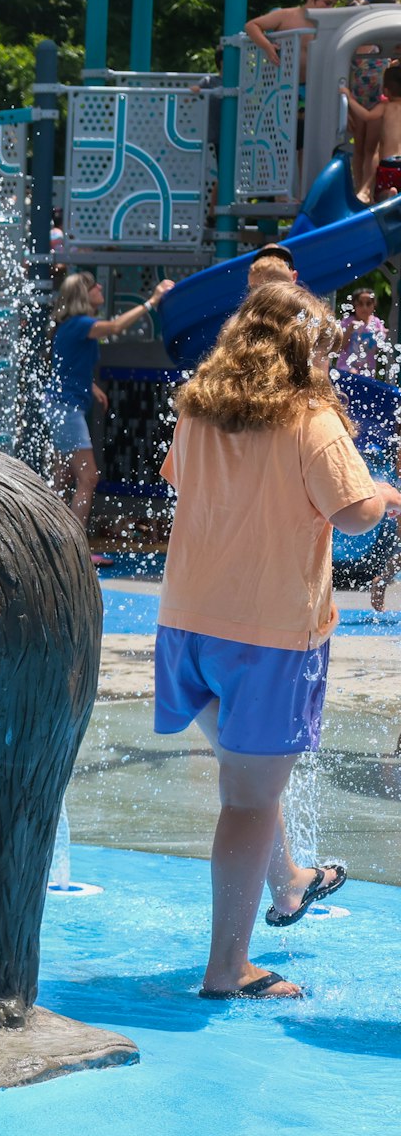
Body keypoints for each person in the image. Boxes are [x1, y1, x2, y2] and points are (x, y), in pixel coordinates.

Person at [157, 282, 400, 1000]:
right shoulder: (311, 418)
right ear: (305, 347)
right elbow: (355, 516)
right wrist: (385, 493)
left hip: (188, 626)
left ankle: (289, 881)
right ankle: (227, 967)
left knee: (247, 775)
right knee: (249, 798)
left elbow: (185, 488)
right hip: (269, 638)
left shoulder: (197, 411)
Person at [44, 273, 173, 561]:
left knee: (62, 480)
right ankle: (75, 553)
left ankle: (48, 545)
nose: (100, 287)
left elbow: (64, 365)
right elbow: (115, 327)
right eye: (93, 286)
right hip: (66, 410)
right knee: (88, 477)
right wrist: (152, 301)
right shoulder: (80, 324)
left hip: (60, 406)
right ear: (82, 295)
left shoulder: (71, 327)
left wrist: (89, 386)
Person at [245, 0, 340, 75]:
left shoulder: (327, 24)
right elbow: (251, 25)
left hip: (313, 84)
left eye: (333, 5)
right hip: (282, 83)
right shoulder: (286, 15)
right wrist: (267, 46)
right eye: (327, 3)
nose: (330, 8)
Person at [349, 64, 401, 200]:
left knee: (380, 194)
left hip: (388, 164)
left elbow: (366, 116)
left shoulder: (385, 106)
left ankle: (387, 194)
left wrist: (349, 99)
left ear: (386, 91)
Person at [339, 288, 388, 374]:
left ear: (374, 305)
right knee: (352, 373)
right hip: (346, 368)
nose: (364, 307)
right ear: (354, 305)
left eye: (368, 304)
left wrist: (384, 335)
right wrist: (349, 330)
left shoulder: (377, 323)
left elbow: (380, 347)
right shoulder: (347, 322)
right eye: (360, 304)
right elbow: (339, 347)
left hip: (368, 371)